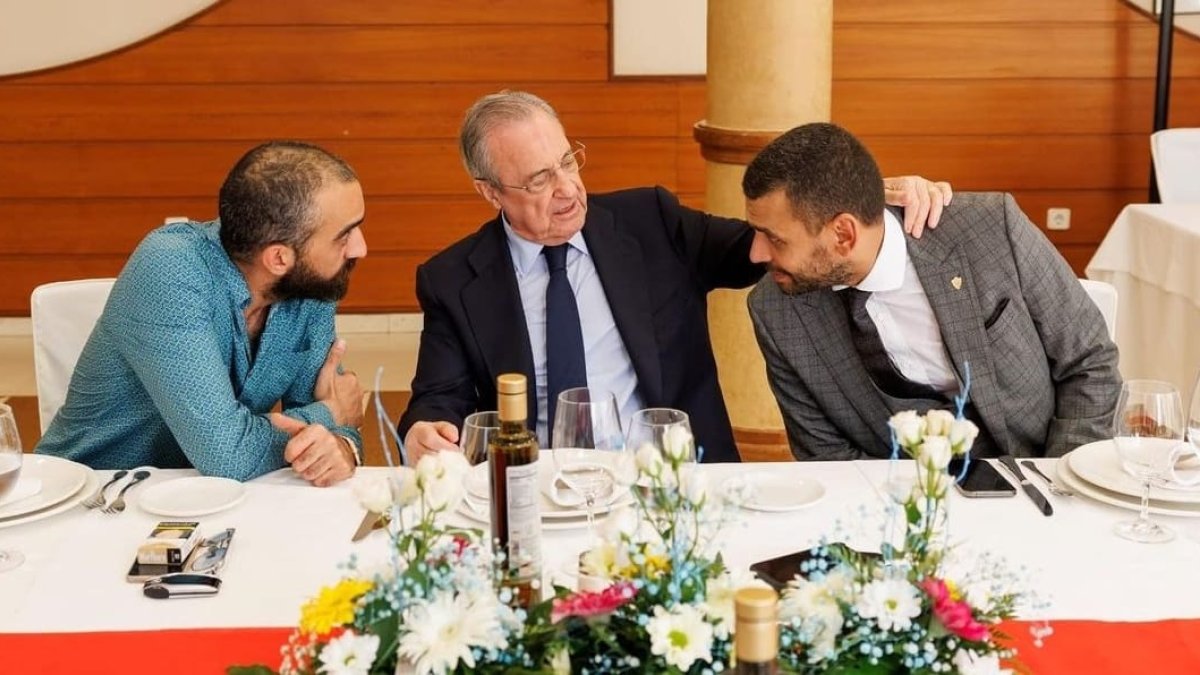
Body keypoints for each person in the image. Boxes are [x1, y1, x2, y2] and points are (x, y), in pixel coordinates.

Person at [398, 90, 952, 464]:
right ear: (490, 191)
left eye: (569, 162)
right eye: (540, 179)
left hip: (673, 478)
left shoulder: (650, 222)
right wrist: (426, 430)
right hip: (536, 492)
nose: (567, 188)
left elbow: (773, 243)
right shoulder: (453, 279)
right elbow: (436, 399)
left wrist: (868, 203)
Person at [745, 123, 1120, 460]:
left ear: (844, 234)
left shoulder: (990, 228)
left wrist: (1061, 481)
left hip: (1044, 481)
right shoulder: (776, 311)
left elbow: (1088, 362)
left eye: (774, 239)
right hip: (904, 515)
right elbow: (828, 459)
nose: (755, 253)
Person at [36, 141, 368, 485]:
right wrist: (328, 414)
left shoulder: (310, 283)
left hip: (211, 501)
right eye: (344, 236)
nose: (361, 247)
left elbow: (335, 418)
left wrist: (342, 446)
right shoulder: (169, 268)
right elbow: (229, 456)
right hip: (90, 496)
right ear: (279, 259)